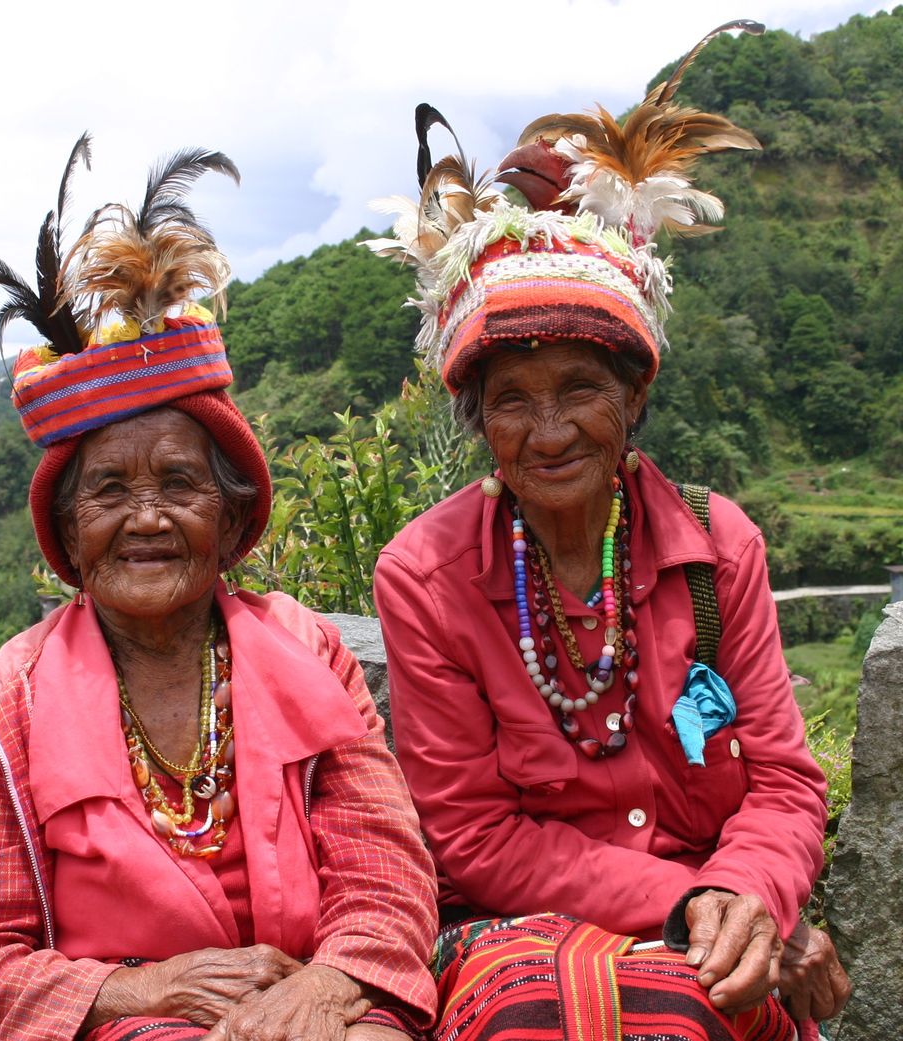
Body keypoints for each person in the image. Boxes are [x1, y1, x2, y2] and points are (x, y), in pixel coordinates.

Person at [0, 136, 437, 1041]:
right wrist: (142, 989)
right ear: (67, 527)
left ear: (230, 513)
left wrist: (329, 987)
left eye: (179, 484)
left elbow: (384, 875)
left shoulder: (307, 649)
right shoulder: (5, 709)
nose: (147, 518)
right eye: (110, 490)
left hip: (313, 1008)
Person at [368, 24, 850, 1041]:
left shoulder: (719, 552)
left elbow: (780, 781)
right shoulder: (427, 575)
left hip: (711, 914)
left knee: (699, 1000)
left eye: (581, 389)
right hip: (514, 931)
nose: (548, 432)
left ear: (635, 397)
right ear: (477, 419)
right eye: (511, 401)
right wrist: (675, 906)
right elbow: (470, 835)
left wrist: (748, 894)